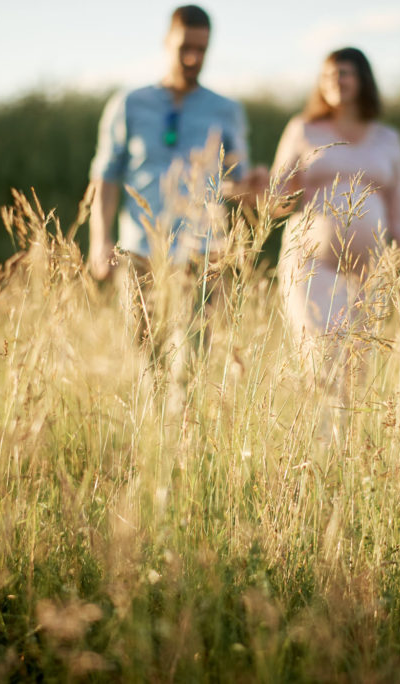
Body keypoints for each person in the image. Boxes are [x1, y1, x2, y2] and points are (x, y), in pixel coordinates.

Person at [87, 5, 265, 398]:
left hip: (202, 253)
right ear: (167, 41)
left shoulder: (226, 109)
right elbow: (105, 176)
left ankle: (180, 443)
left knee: (192, 362)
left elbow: (235, 184)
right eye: (185, 47)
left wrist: (256, 186)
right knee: (147, 358)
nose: (193, 58)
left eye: (202, 49)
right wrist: (99, 241)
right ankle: (151, 440)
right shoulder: (128, 104)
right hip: (139, 251)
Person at [270, 47, 400, 377]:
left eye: (344, 73)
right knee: (319, 361)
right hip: (310, 267)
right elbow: (275, 198)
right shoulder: (303, 130)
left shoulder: (388, 139)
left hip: (367, 273)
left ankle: (344, 431)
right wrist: (267, 191)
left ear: (362, 79)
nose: (335, 81)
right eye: (327, 75)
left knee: (357, 367)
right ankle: (318, 430)